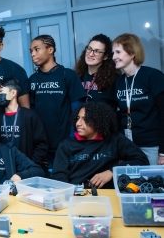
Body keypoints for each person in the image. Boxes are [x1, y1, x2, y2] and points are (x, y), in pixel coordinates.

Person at [51, 102, 149, 188]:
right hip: (76, 196)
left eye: (85, 119)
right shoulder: (66, 145)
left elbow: (142, 161)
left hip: (109, 195)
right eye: (78, 118)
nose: (78, 123)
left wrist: (113, 171)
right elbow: (59, 176)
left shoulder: (115, 139)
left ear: (99, 121)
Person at [29, 35, 87, 174]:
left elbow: (77, 110)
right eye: (31, 51)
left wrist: (73, 141)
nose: (33, 54)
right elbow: (30, 113)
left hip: (65, 143)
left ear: (50, 49)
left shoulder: (68, 75)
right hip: (42, 146)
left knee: (65, 182)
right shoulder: (32, 80)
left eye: (37, 49)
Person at [112, 33, 164, 165]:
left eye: (118, 52)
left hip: (152, 146)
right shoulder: (119, 82)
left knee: (151, 184)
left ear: (132, 53)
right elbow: (120, 115)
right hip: (129, 147)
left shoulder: (153, 76)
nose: (114, 57)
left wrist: (163, 152)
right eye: (113, 53)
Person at [0, 78, 48, 166]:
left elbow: (41, 144)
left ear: (13, 93)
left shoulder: (30, 116)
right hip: (4, 167)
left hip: (27, 166)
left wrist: (32, 164)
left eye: (1, 91)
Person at [74, 34, 120, 110]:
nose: (91, 54)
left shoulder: (113, 78)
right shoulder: (76, 76)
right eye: (89, 49)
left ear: (105, 56)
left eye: (97, 51)